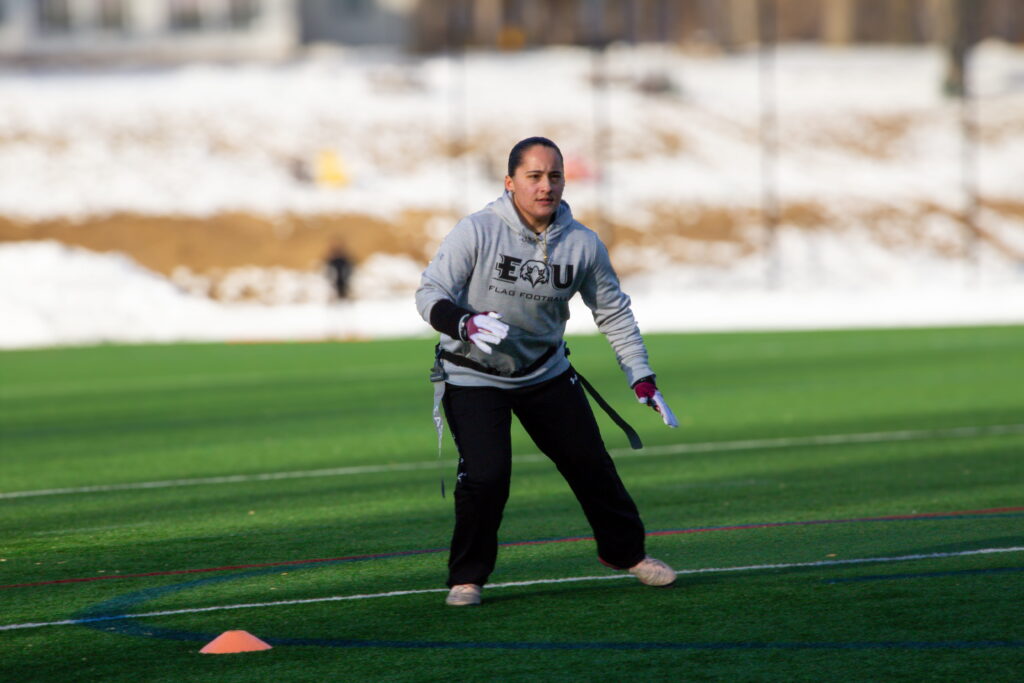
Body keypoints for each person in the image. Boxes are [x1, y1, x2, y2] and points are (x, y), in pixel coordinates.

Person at [415, 137, 679, 607]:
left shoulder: (582, 244)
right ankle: (467, 577)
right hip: (473, 375)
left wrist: (641, 375)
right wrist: (464, 322)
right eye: (534, 176)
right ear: (510, 181)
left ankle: (628, 554)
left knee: (591, 465)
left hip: (545, 373)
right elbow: (430, 292)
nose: (545, 186)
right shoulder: (476, 231)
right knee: (487, 478)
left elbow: (613, 313)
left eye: (554, 176)